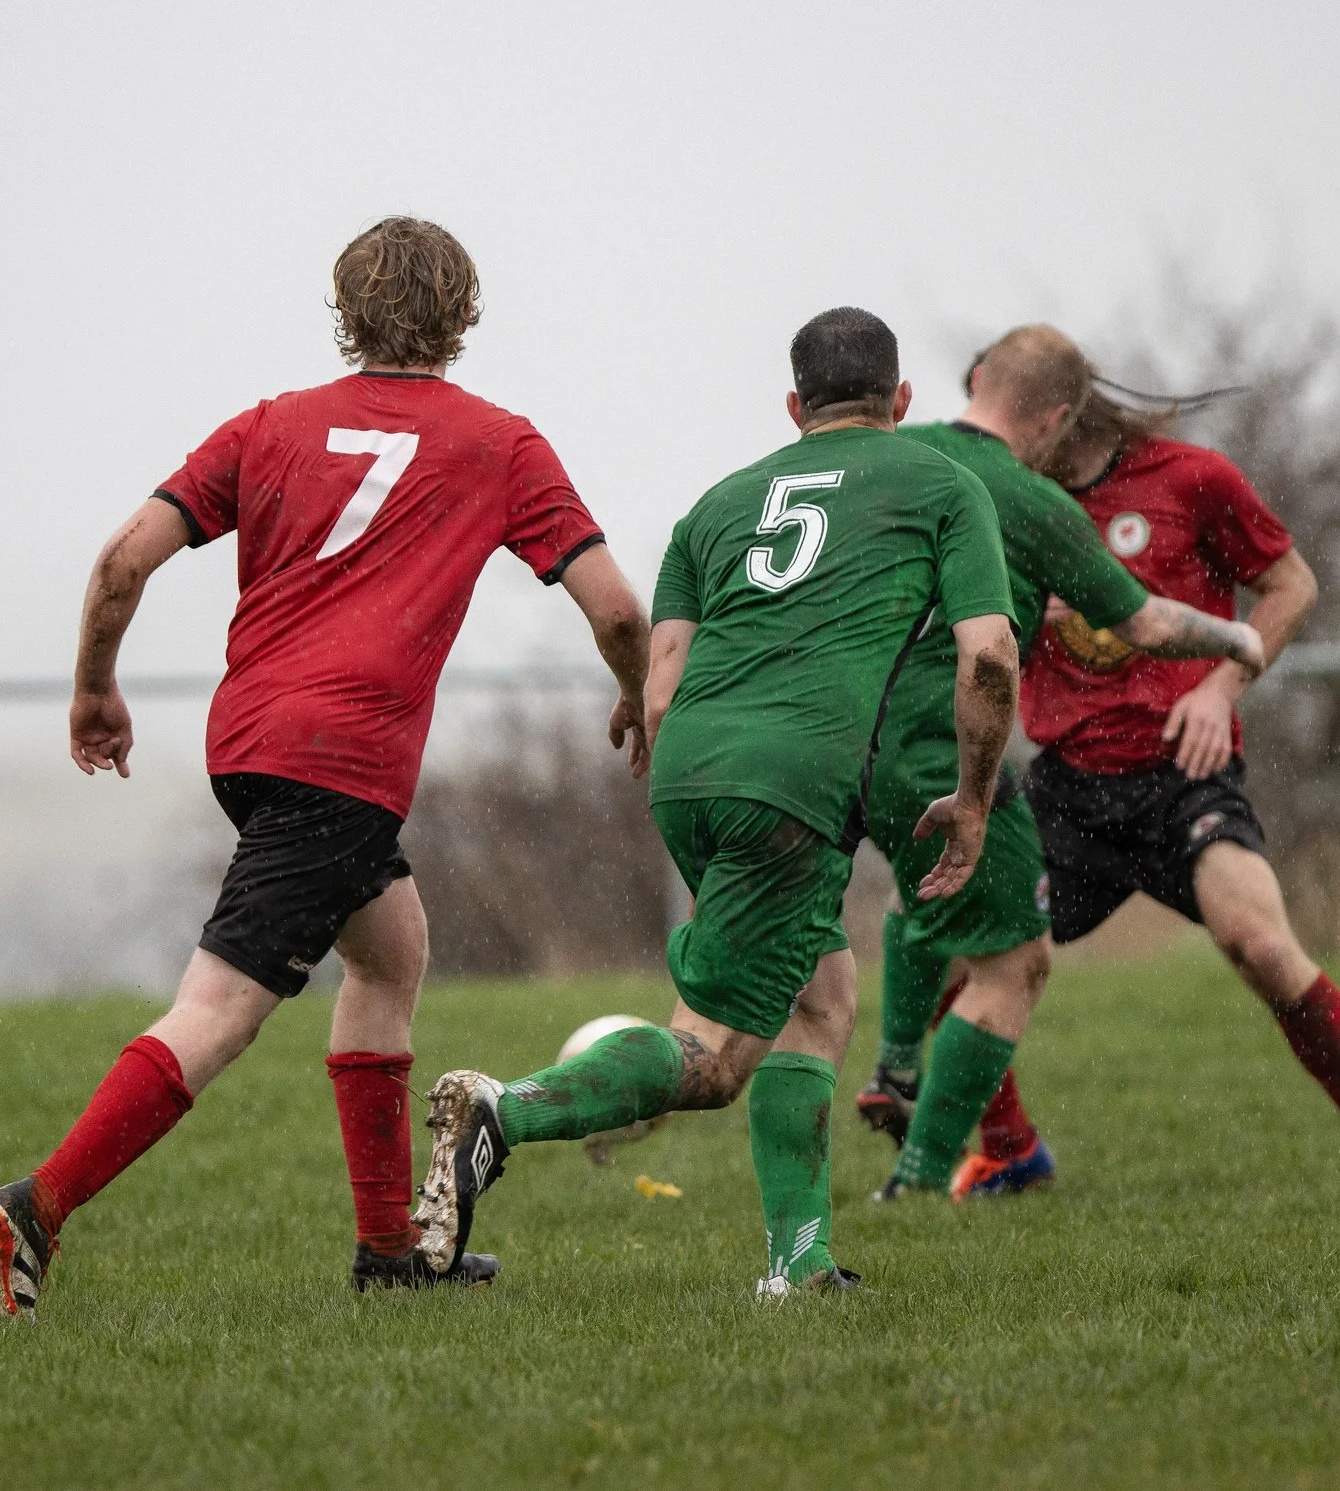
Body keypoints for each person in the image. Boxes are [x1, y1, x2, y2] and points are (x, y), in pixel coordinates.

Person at [0, 217, 652, 1316]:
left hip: (252, 744)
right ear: (465, 318)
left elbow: (120, 562)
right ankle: (38, 1205)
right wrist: (635, 688)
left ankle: (388, 1249)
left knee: (389, 952)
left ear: (345, 316)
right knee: (221, 1010)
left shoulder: (268, 426)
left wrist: (95, 684)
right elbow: (618, 606)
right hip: (338, 760)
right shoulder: (498, 444)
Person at [414, 306, 1021, 1299]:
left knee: (819, 997)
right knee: (713, 1058)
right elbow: (988, 652)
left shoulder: (719, 504)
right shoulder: (939, 480)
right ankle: (503, 1110)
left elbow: (659, 675)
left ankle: (802, 1263)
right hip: (794, 783)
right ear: (902, 401)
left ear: (794, 405)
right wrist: (974, 795)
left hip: (688, 766)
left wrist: (695, 762)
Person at [848, 326, 1266, 1201]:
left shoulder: (891, 456)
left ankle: (894, 1070)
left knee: (925, 894)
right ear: (1054, 415)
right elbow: (1144, 623)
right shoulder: (1031, 501)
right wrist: (1239, 639)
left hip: (850, 744)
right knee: (1018, 962)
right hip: (942, 744)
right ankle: (919, 1188)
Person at [996, 373, 1340, 1182]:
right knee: (964, 964)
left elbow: (1293, 584)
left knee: (1260, 946)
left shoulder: (1192, 478)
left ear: (1054, 414)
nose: (989, 436)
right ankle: (1010, 1153)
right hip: (1069, 787)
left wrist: (1223, 686)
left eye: (1002, 414)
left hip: (1184, 775)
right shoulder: (1008, 502)